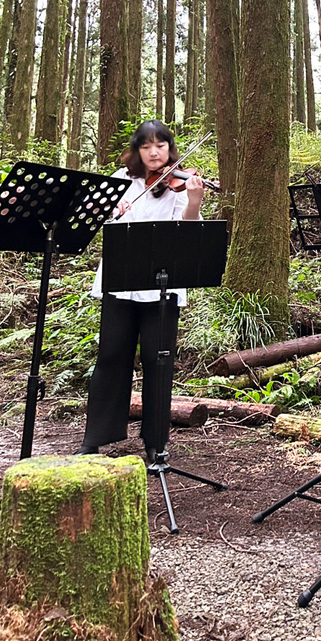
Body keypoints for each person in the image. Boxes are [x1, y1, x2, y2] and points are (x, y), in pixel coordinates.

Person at [77, 120, 206, 459]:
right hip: (120, 281)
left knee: (158, 360)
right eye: (146, 146)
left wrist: (194, 199)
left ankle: (155, 443)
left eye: (160, 145)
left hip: (162, 286)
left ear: (169, 149)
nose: (154, 152)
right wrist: (111, 211)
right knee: (111, 355)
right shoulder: (120, 181)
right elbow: (97, 221)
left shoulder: (178, 183)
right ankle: (96, 438)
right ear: (137, 150)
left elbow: (189, 229)